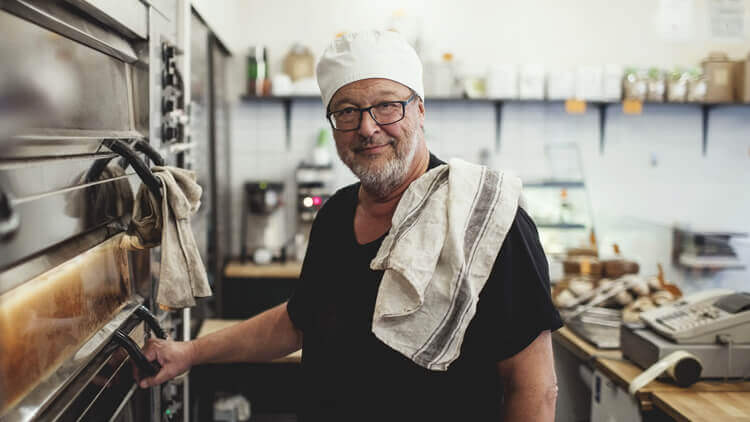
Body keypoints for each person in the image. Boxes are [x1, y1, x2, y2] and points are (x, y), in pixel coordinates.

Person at [140, 30, 562, 421]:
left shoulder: (482, 220)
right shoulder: (336, 215)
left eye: (386, 105)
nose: (367, 127)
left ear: (419, 109)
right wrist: (190, 352)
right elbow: (298, 321)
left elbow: (534, 387)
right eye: (347, 111)